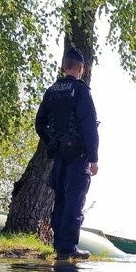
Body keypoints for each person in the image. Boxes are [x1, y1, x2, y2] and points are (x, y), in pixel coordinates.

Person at [35, 47, 99, 260]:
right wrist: (94, 158)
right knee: (75, 198)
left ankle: (58, 244)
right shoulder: (81, 91)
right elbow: (89, 125)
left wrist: (52, 140)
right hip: (77, 155)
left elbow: (39, 122)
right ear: (80, 68)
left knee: (60, 198)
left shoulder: (51, 91)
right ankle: (68, 246)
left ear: (64, 66)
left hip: (59, 153)